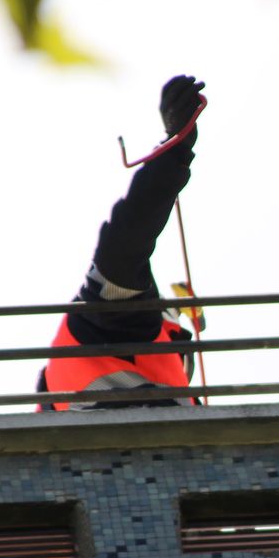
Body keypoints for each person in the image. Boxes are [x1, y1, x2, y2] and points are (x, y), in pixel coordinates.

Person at [38, 75, 205, 410]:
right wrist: (175, 152)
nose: (182, 371)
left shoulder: (55, 397)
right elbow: (124, 243)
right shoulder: (116, 321)